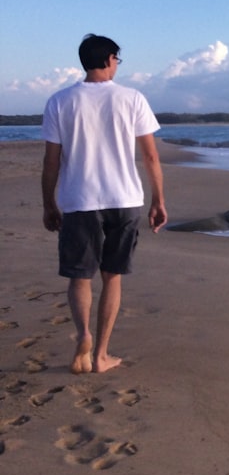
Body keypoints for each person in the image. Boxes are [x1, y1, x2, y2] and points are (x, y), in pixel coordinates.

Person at [41, 34, 167, 374]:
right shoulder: (132, 98)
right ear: (110, 59)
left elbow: (51, 161)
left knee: (80, 277)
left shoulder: (59, 101)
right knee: (112, 277)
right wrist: (158, 200)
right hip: (123, 198)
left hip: (79, 200)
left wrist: (48, 203)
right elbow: (150, 155)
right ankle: (100, 355)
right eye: (117, 60)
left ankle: (82, 335)